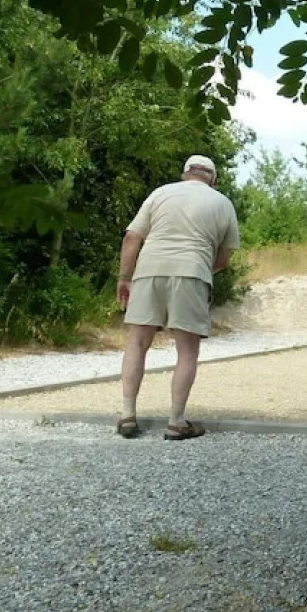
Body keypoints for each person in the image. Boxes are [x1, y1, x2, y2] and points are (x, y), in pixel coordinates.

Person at [115, 154, 240, 441]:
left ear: (185, 174)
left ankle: (127, 415)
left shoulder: (159, 194)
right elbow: (223, 258)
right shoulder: (222, 203)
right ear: (213, 178)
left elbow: (132, 237)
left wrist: (124, 278)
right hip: (192, 272)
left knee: (137, 341)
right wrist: (197, 271)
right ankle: (175, 421)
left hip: (148, 270)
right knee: (187, 349)